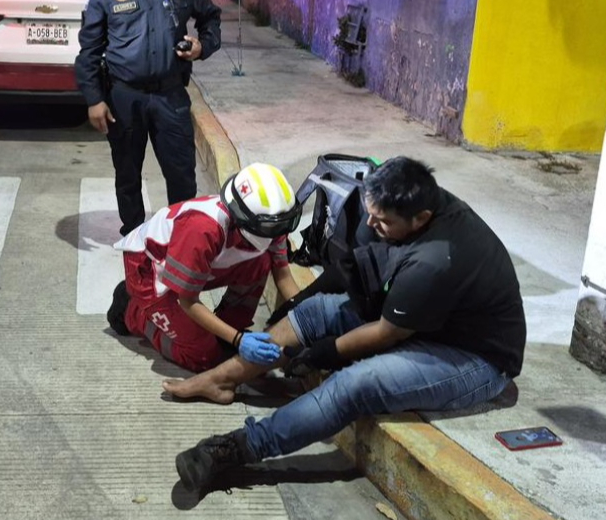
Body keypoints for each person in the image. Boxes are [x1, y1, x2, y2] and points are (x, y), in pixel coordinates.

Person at [167, 157, 525, 495]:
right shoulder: (401, 205)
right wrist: (300, 303)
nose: (371, 225)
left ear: (421, 219)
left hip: (472, 358)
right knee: (316, 312)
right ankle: (220, 379)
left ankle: (238, 447)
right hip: (424, 320)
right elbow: (353, 270)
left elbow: (387, 333)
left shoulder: (434, 259)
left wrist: (324, 352)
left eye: (382, 222)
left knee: (355, 384)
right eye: (371, 215)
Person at [75, 0, 222, 235]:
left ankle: (181, 238)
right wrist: (94, 99)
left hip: (171, 95)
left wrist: (202, 47)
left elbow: (211, 17)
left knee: (182, 174)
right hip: (124, 97)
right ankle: (134, 235)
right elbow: (88, 50)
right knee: (127, 173)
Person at [108, 163, 303, 373]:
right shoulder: (202, 230)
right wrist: (238, 340)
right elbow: (188, 301)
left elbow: (284, 277)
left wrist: (307, 314)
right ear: (246, 220)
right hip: (149, 270)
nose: (279, 232)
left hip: (193, 261)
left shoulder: (269, 223)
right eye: (272, 227)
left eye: (284, 223)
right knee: (203, 357)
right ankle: (133, 311)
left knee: (261, 261)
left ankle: (227, 325)